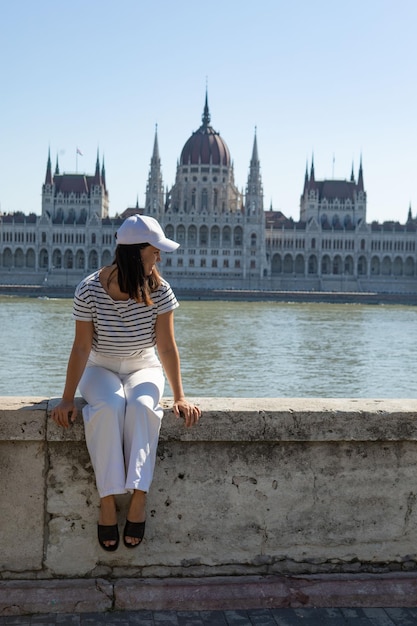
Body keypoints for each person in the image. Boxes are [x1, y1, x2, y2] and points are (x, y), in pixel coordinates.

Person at [51, 214, 201, 551]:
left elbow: (165, 346)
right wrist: (66, 398)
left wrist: (179, 395)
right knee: (108, 406)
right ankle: (107, 498)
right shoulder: (89, 289)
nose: (159, 257)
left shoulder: (160, 290)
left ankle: (138, 496)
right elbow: (81, 347)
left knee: (143, 407)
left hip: (142, 366)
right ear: (136, 253)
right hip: (100, 367)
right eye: (155, 251)